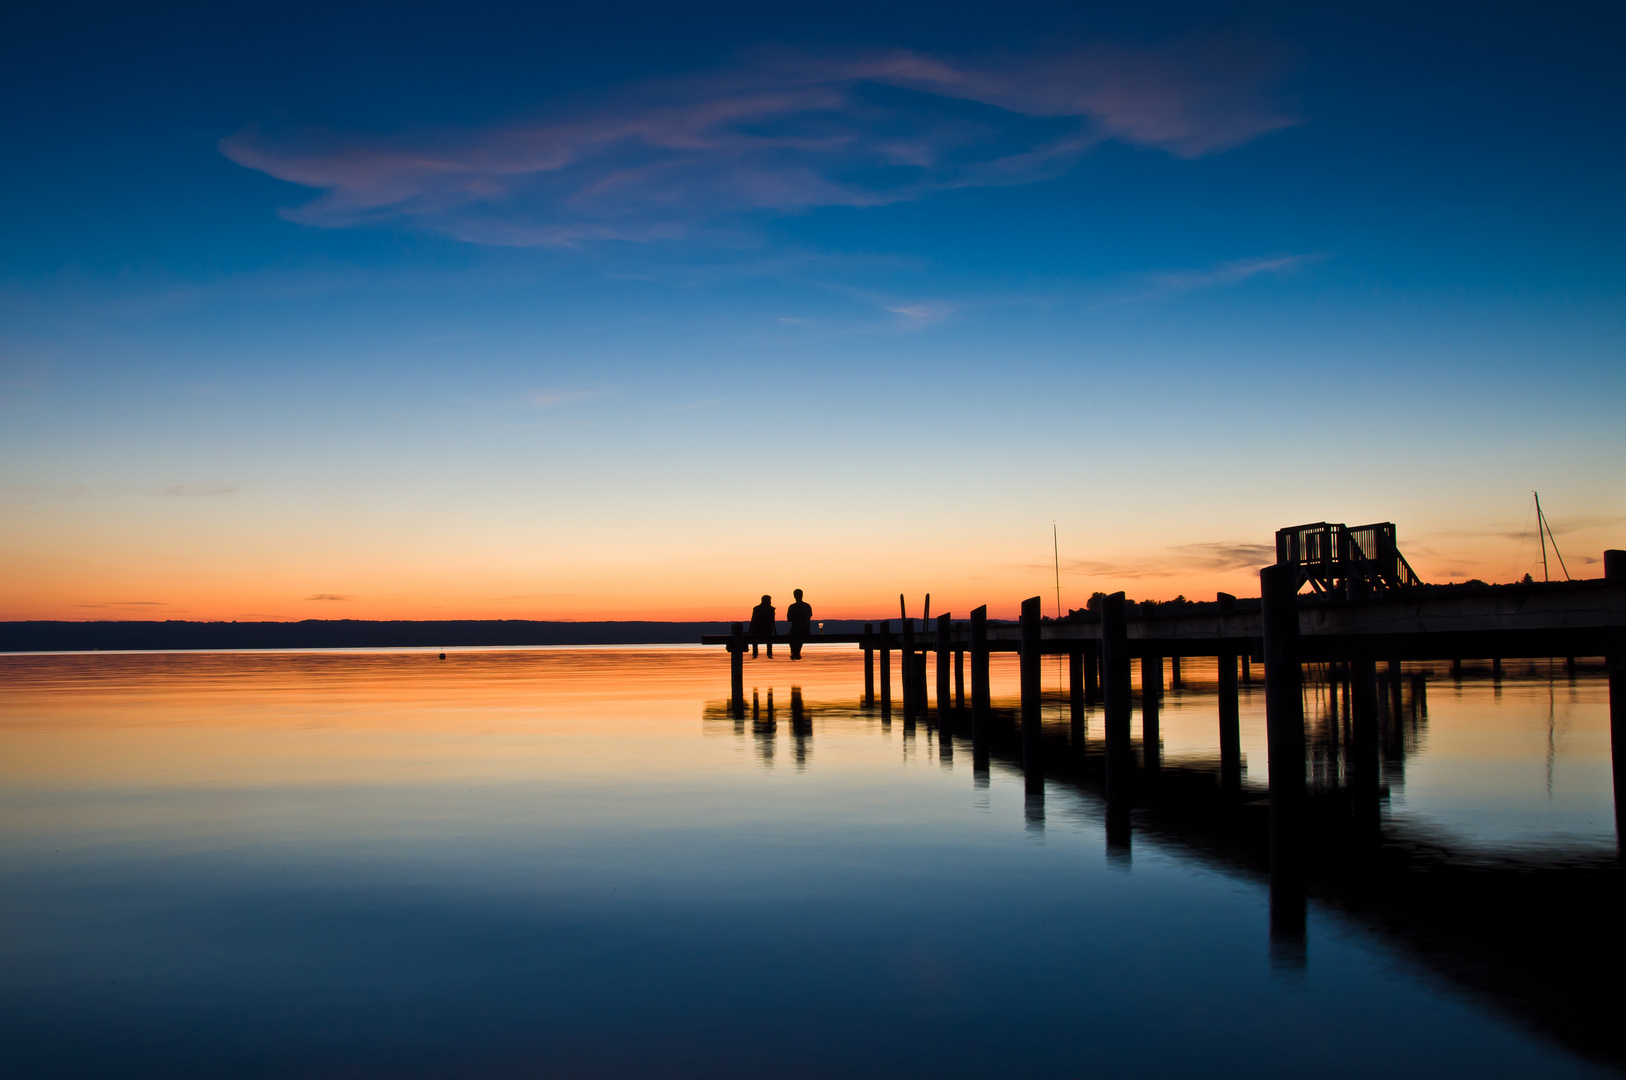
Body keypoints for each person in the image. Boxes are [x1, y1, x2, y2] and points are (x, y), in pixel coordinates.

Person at [786, 588, 812, 660]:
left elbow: (789, 619)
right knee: (799, 638)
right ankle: (796, 652)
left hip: (795, 630)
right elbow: (809, 617)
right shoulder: (807, 606)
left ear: (794, 596)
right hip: (806, 630)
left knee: (790, 636)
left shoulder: (792, 607)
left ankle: (794, 652)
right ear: (802, 595)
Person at [749, 594, 776, 658]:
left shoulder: (756, 609)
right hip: (767, 630)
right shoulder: (771, 609)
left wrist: (750, 631)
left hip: (757, 630)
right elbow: (772, 621)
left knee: (755, 640)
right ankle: (769, 654)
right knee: (769, 640)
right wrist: (775, 631)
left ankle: (755, 654)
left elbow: (753, 621)